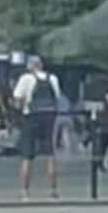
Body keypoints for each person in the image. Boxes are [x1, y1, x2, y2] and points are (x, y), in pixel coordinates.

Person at [11, 55, 62, 200]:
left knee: (27, 156)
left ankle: (24, 192)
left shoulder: (26, 78)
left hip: (31, 118)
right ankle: (53, 190)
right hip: (49, 117)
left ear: (30, 66)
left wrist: (18, 110)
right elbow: (57, 98)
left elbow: (18, 99)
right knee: (50, 154)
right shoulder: (52, 78)